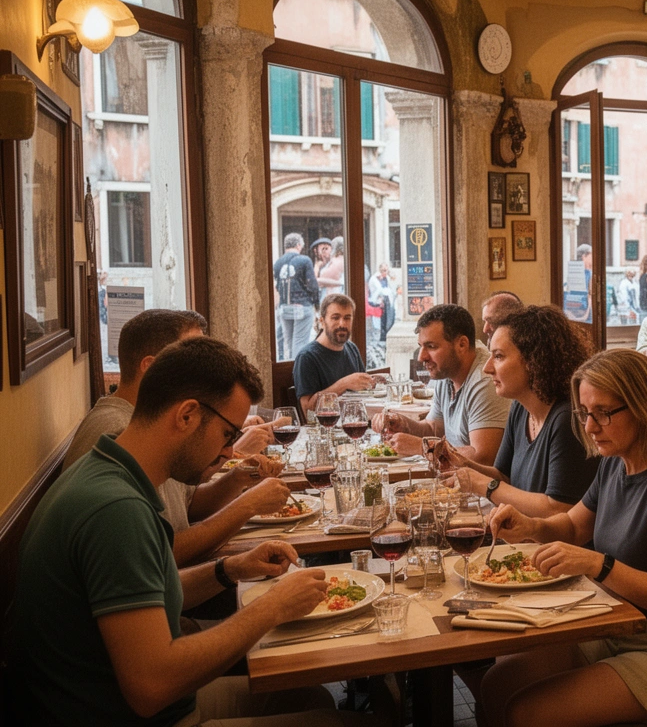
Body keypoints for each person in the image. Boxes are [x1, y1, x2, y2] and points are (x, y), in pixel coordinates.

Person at [9, 337, 360, 726]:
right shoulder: (116, 510)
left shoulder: (106, 467)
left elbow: (146, 591)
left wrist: (229, 569)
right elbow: (151, 686)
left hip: (132, 704)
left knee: (308, 693)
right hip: (142, 715)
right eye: (228, 434)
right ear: (187, 415)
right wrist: (272, 607)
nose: (230, 452)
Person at [478, 349, 647, 726]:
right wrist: (532, 527)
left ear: (644, 406)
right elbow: (574, 526)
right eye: (584, 413)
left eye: (603, 413)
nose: (590, 427)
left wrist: (599, 563)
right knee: (495, 685)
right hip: (618, 627)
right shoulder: (616, 461)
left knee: (526, 714)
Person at [63, 309, 288, 567]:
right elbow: (162, 554)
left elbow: (186, 506)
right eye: (191, 357)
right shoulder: (116, 432)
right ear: (151, 368)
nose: (208, 373)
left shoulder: (150, 429)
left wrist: (236, 479)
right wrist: (247, 506)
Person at [445, 305, 598, 518]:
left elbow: (559, 509)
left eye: (498, 356)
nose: (487, 368)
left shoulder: (566, 420)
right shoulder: (520, 408)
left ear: (534, 360)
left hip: (553, 548)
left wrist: (484, 486)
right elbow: (504, 477)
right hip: (524, 540)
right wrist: (461, 464)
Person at [372, 303, 510, 463]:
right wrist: (403, 424)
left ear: (462, 345)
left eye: (431, 347)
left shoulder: (485, 380)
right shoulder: (447, 372)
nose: (421, 357)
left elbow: (483, 456)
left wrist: (423, 447)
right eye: (421, 347)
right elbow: (434, 427)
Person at [293, 294, 376, 413]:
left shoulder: (351, 348)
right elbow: (308, 411)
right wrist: (344, 384)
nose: (342, 324)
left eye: (347, 318)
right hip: (326, 429)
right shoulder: (307, 357)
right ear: (322, 321)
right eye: (335, 318)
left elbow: (364, 390)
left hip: (356, 422)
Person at [273, 232, 320, 360]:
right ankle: (298, 372)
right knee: (300, 341)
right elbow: (312, 285)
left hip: (284, 307)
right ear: (299, 245)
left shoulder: (277, 263)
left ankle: (290, 368)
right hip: (302, 306)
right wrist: (317, 305)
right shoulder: (304, 260)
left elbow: (277, 286)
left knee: (289, 342)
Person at [368, 262, 397, 342]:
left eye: (386, 270)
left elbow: (391, 289)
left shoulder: (386, 278)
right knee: (382, 320)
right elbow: (379, 291)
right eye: (384, 270)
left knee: (389, 317)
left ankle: (386, 334)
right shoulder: (375, 278)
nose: (385, 272)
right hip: (377, 301)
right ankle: (382, 336)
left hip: (386, 300)